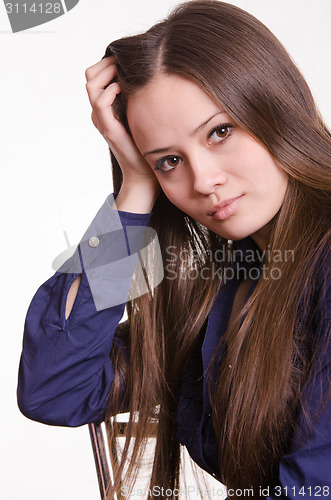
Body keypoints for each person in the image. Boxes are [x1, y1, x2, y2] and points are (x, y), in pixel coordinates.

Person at [17, 0, 330, 498]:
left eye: (220, 132)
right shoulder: (222, 290)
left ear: (275, 108)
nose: (204, 180)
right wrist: (134, 188)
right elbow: (57, 386)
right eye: (168, 161)